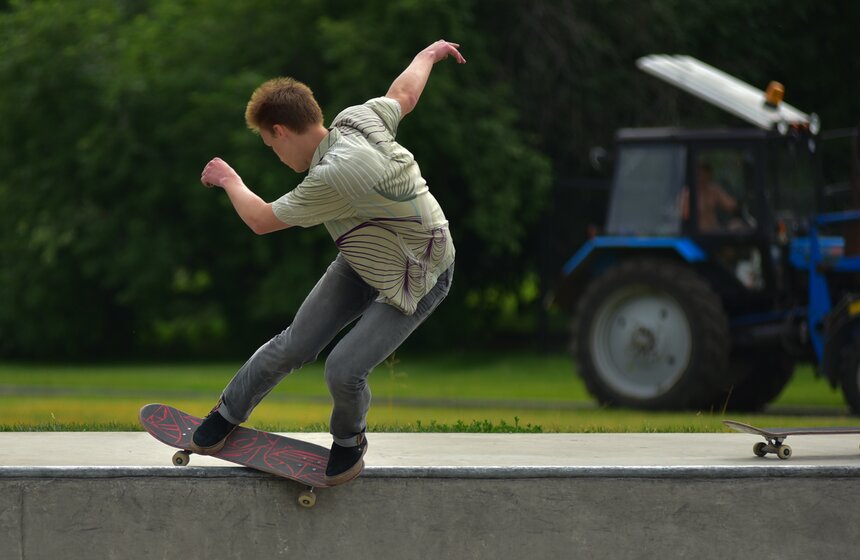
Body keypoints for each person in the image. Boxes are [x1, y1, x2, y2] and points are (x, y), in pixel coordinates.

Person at [193, 40, 466, 485]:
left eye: (269, 145)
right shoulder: (358, 119)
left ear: (282, 131)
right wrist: (429, 54)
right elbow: (404, 95)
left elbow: (261, 219)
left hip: (420, 273)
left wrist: (228, 180)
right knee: (294, 343)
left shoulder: (335, 174)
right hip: (365, 257)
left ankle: (348, 440)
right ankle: (225, 416)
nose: (276, 157)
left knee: (344, 368)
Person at [680, 162, 738, 231]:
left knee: (737, 224)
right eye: (699, 174)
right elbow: (683, 215)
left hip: (713, 231)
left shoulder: (714, 190)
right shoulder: (687, 193)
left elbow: (730, 205)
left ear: (709, 175)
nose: (701, 177)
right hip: (696, 233)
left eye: (704, 174)